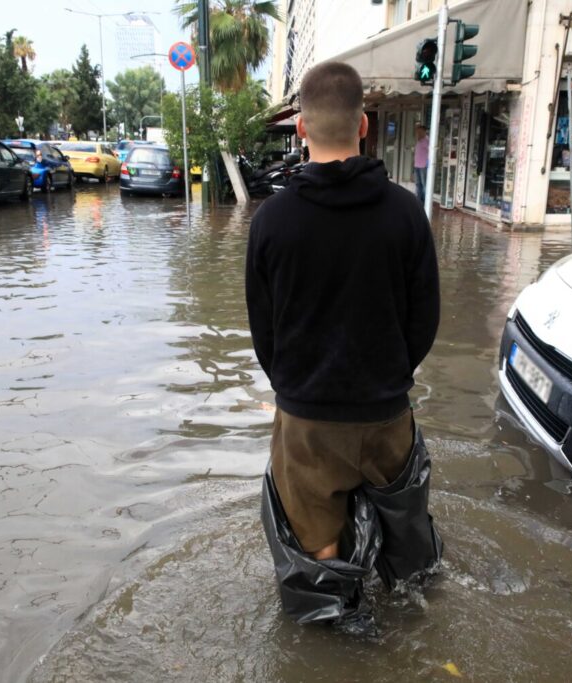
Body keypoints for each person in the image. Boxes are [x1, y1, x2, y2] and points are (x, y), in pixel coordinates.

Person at [246, 61, 442, 633]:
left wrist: (297, 386)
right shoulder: (405, 212)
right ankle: (415, 613)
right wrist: (388, 375)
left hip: (307, 420)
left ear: (301, 129)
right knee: (406, 529)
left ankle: (344, 633)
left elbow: (265, 331)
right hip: (387, 412)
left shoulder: (272, 221)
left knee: (315, 544)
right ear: (363, 125)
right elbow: (424, 317)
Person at [413, 125, 429, 203]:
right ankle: (418, 201)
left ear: (423, 131)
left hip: (423, 166)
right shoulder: (419, 140)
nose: (417, 133)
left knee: (424, 185)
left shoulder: (427, 140)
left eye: (419, 131)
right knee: (418, 184)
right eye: (417, 132)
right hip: (417, 165)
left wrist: (428, 162)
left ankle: (425, 201)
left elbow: (430, 152)